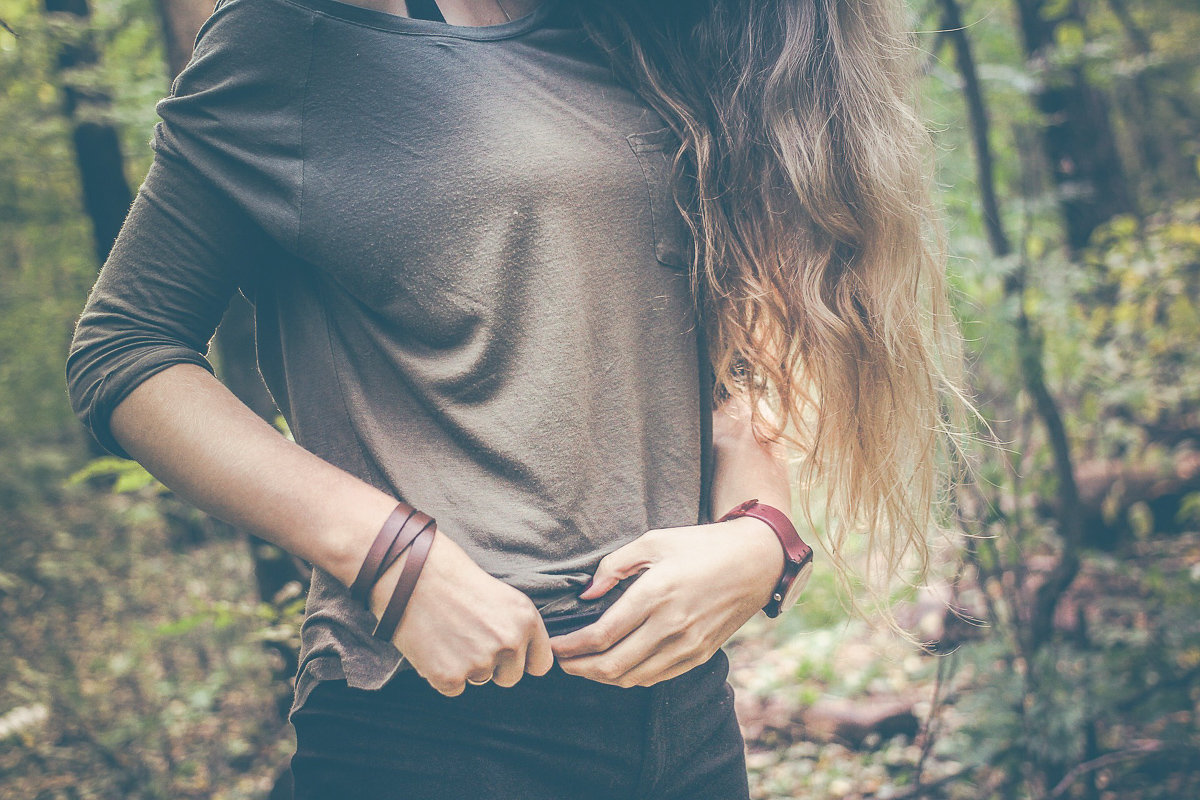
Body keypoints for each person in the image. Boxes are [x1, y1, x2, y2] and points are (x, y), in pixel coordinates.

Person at [65, 0, 965, 796]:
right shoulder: (296, 38)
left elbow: (733, 337)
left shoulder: (640, 33)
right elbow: (124, 349)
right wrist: (389, 558)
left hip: (686, 719)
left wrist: (762, 536)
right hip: (440, 725)